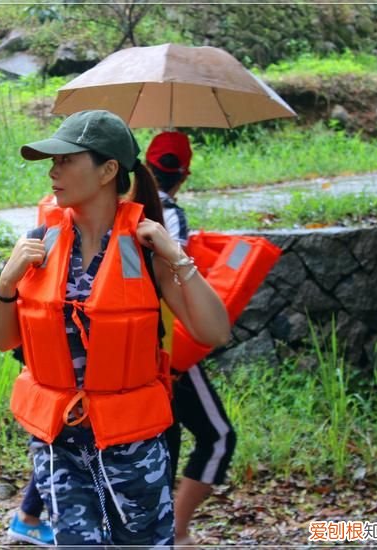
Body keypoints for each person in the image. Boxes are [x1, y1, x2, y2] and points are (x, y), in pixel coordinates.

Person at [0, 110, 230, 546]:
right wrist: (6, 284)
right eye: (52, 162)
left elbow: (214, 332)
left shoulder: (145, 246)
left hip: (132, 443)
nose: (53, 171)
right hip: (60, 443)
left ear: (108, 171)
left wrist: (177, 258)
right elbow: (4, 339)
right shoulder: (41, 241)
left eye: (66, 160)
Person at [146, 131, 238, 546]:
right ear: (184, 176)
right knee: (218, 436)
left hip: (123, 349)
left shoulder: (118, 209)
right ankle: (176, 532)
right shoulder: (169, 217)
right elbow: (174, 283)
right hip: (167, 350)